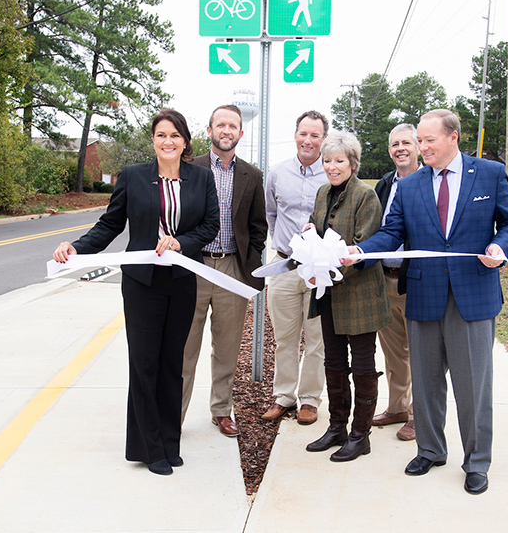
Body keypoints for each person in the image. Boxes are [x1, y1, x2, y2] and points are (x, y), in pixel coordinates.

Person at [345, 109, 508, 495]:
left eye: (428, 140)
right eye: (419, 141)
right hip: (425, 296)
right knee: (426, 384)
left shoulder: (489, 174)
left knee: (473, 386)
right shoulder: (409, 187)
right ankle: (430, 449)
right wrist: (360, 251)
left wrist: (500, 246)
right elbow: (391, 233)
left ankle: (477, 462)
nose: (422, 147)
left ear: (453, 137)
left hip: (473, 295)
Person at [52, 108, 219, 476]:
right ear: (153, 140)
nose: (168, 141)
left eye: (174, 135)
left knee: (172, 364)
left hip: (182, 280)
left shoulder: (202, 178)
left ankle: (169, 443)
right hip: (142, 284)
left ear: (186, 141)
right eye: (161, 135)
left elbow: (210, 225)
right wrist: (77, 248)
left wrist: (182, 243)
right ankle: (148, 448)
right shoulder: (133, 177)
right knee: (145, 364)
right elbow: (110, 223)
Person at [304, 131, 391, 462]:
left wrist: (330, 266)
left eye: (339, 160)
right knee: (334, 362)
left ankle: (360, 435)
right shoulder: (323, 192)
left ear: (352, 163)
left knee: (363, 364)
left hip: (359, 294)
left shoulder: (365, 196)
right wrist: (308, 235)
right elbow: (318, 228)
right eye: (327, 160)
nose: (331, 166)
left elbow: (363, 243)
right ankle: (336, 427)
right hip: (328, 292)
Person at [181, 104, 267, 438]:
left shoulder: (252, 175)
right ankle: (175, 415)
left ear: (240, 133)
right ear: (209, 130)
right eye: (221, 125)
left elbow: (258, 227)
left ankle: (221, 410)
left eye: (233, 126)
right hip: (195, 266)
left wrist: (251, 266)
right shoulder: (191, 168)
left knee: (227, 347)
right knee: (185, 345)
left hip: (232, 267)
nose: (226, 131)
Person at [262, 110, 330, 425]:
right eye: (304, 133)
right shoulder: (277, 174)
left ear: (323, 139)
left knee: (316, 338)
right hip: (284, 266)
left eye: (315, 135)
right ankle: (284, 397)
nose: (308, 140)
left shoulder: (331, 175)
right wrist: (283, 242)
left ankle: (310, 400)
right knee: (285, 338)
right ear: (295, 134)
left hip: (319, 269)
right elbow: (271, 214)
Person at [371, 123, 422, 442]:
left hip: (415, 281)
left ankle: (419, 415)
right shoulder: (385, 184)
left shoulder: (426, 182)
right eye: (394, 144)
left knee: (421, 351)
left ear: (418, 146)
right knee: (393, 352)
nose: (400, 148)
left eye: (406, 142)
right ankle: (397, 407)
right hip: (384, 280)